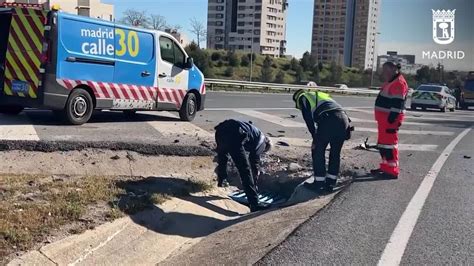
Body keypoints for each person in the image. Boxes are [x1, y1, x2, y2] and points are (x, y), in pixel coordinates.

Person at [293, 89, 352, 192]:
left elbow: (309, 120)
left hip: (329, 119)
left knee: (317, 151)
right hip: (344, 119)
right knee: (335, 153)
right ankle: (330, 183)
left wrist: (314, 138)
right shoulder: (319, 95)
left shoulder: (303, 98)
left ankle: (319, 183)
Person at [214, 119, 272, 212]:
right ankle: (254, 203)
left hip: (220, 130)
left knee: (223, 157)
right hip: (235, 132)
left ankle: (222, 180)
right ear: (266, 145)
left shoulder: (254, 133)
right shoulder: (262, 141)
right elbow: (254, 164)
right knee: (245, 170)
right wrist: (254, 183)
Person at [371, 61, 409, 179]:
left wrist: (392, 120)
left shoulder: (398, 83)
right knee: (383, 145)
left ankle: (392, 170)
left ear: (394, 69)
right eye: (384, 70)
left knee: (389, 146)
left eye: (386, 70)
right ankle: (385, 167)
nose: (384, 73)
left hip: (390, 120)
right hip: (385, 120)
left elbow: (397, 103)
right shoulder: (392, 81)